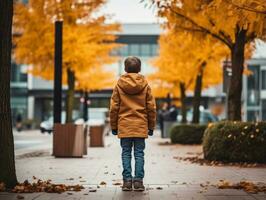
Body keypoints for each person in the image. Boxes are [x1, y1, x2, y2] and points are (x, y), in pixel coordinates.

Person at [109, 56, 156, 191]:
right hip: (140, 125)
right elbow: (151, 107)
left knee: (126, 153)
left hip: (125, 125)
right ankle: (138, 182)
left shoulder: (119, 85)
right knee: (139, 153)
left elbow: (114, 108)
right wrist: (151, 126)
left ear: (125, 69)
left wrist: (114, 126)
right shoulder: (145, 85)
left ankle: (127, 181)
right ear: (139, 69)